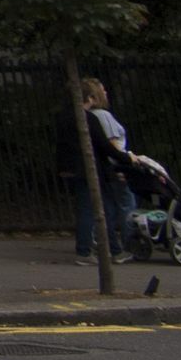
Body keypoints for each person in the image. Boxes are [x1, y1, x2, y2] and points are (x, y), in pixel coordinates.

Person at [56, 75, 142, 258]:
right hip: (88, 170)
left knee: (94, 209)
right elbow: (105, 146)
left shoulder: (64, 117)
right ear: (89, 98)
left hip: (72, 168)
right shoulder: (86, 118)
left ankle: (112, 249)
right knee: (94, 210)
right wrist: (127, 159)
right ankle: (86, 251)